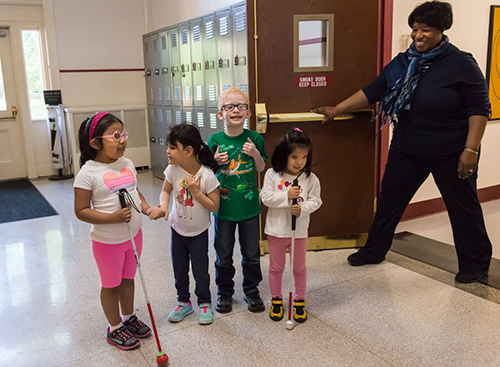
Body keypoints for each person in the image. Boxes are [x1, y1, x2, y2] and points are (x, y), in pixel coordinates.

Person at [313, 0, 492, 284]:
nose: (418, 36)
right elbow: (374, 89)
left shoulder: (461, 63)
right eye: (415, 29)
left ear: (442, 31)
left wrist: (471, 149)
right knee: (389, 201)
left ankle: (475, 264)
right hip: (408, 147)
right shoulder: (403, 61)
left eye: (426, 30)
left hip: (452, 150)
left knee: (463, 207)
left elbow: (480, 109)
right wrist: (337, 109)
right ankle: (374, 250)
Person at [74, 112, 153, 350]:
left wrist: (147, 208)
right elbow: (81, 210)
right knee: (111, 285)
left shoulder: (127, 164)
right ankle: (114, 328)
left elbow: (132, 191)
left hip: (133, 236)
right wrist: (112, 218)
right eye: (115, 135)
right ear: (95, 142)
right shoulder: (88, 173)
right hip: (107, 242)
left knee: (128, 279)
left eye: (123, 134)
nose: (122, 140)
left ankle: (128, 317)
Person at [149, 123, 220, 325]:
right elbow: (166, 191)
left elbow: (215, 206)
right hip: (177, 230)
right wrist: (163, 207)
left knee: (200, 270)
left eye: (172, 147)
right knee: (179, 269)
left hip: (198, 233)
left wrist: (197, 192)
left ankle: (204, 302)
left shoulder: (206, 176)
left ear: (188, 151)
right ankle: (183, 302)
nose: (167, 151)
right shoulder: (173, 169)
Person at [207, 87, 269, 313]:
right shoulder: (215, 139)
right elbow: (207, 173)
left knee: (251, 254)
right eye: (229, 107)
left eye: (241, 106)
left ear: (248, 113)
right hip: (223, 209)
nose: (236, 110)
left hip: (249, 209)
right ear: (221, 114)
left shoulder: (254, 139)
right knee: (223, 254)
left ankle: (251, 291)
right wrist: (215, 162)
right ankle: (224, 293)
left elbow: (261, 168)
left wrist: (254, 154)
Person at [260, 127, 322, 323]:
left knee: (299, 268)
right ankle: (276, 299)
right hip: (276, 231)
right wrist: (286, 197)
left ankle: (299, 300)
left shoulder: (310, 178)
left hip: (299, 232)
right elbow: (266, 197)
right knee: (276, 267)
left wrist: (302, 208)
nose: (300, 162)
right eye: (294, 156)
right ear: (283, 154)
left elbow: (316, 200)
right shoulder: (272, 174)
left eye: (304, 157)